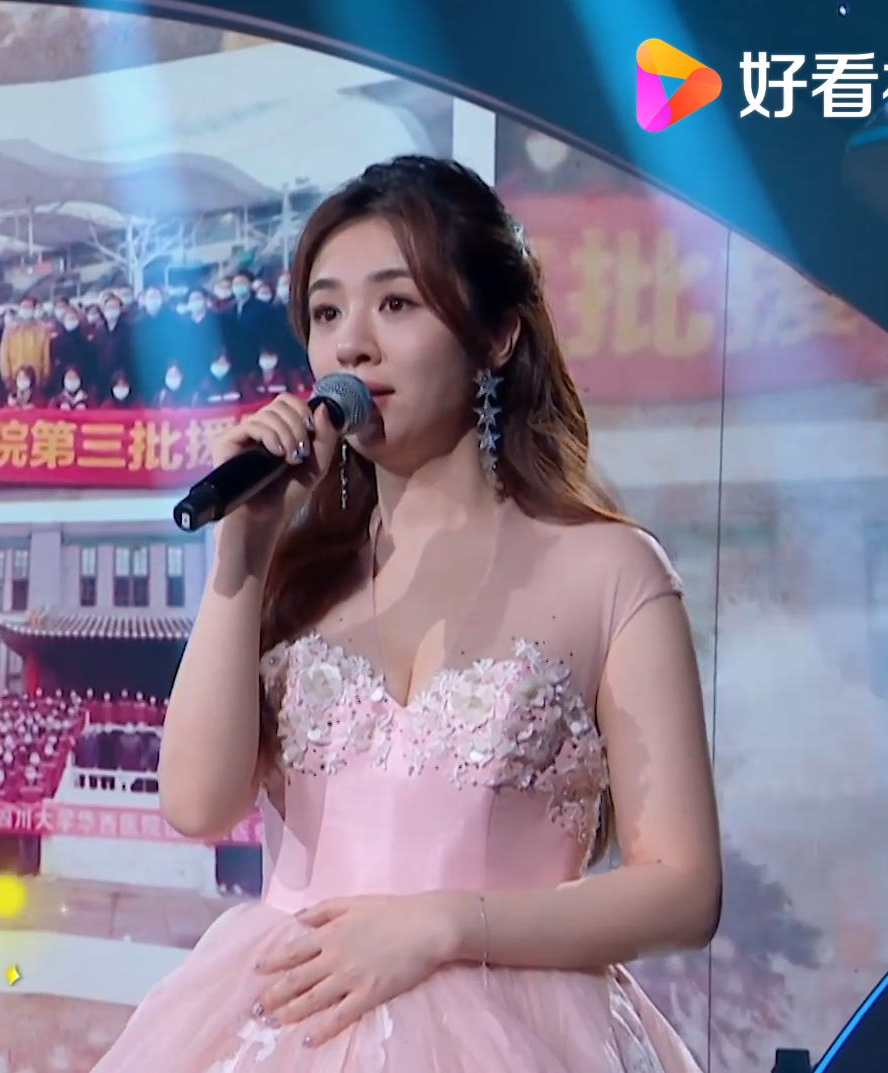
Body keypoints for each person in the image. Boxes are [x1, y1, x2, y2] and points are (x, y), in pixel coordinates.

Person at [91, 156, 718, 1072]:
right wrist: (242, 556)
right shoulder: (294, 575)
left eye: (395, 303)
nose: (352, 345)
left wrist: (444, 925)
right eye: (326, 313)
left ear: (495, 334)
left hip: (515, 1026)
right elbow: (195, 802)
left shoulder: (610, 570)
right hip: (287, 1021)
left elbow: (684, 890)